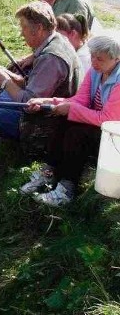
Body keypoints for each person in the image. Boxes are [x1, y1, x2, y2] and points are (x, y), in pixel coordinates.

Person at [0, 1, 81, 195]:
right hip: (43, 116)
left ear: (39, 28)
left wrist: (6, 83)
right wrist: (13, 78)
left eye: (24, 27)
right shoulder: (57, 41)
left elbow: (28, 103)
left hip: (44, 128)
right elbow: (38, 86)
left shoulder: (51, 58)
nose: (21, 33)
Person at [20, 31, 120, 206]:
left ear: (116, 59)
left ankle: (67, 188)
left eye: (100, 59)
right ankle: (48, 173)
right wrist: (49, 102)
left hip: (114, 137)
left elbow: (108, 119)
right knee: (61, 119)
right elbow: (80, 100)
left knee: (78, 132)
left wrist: (71, 109)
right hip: (98, 125)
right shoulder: (96, 71)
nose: (94, 62)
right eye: (92, 57)